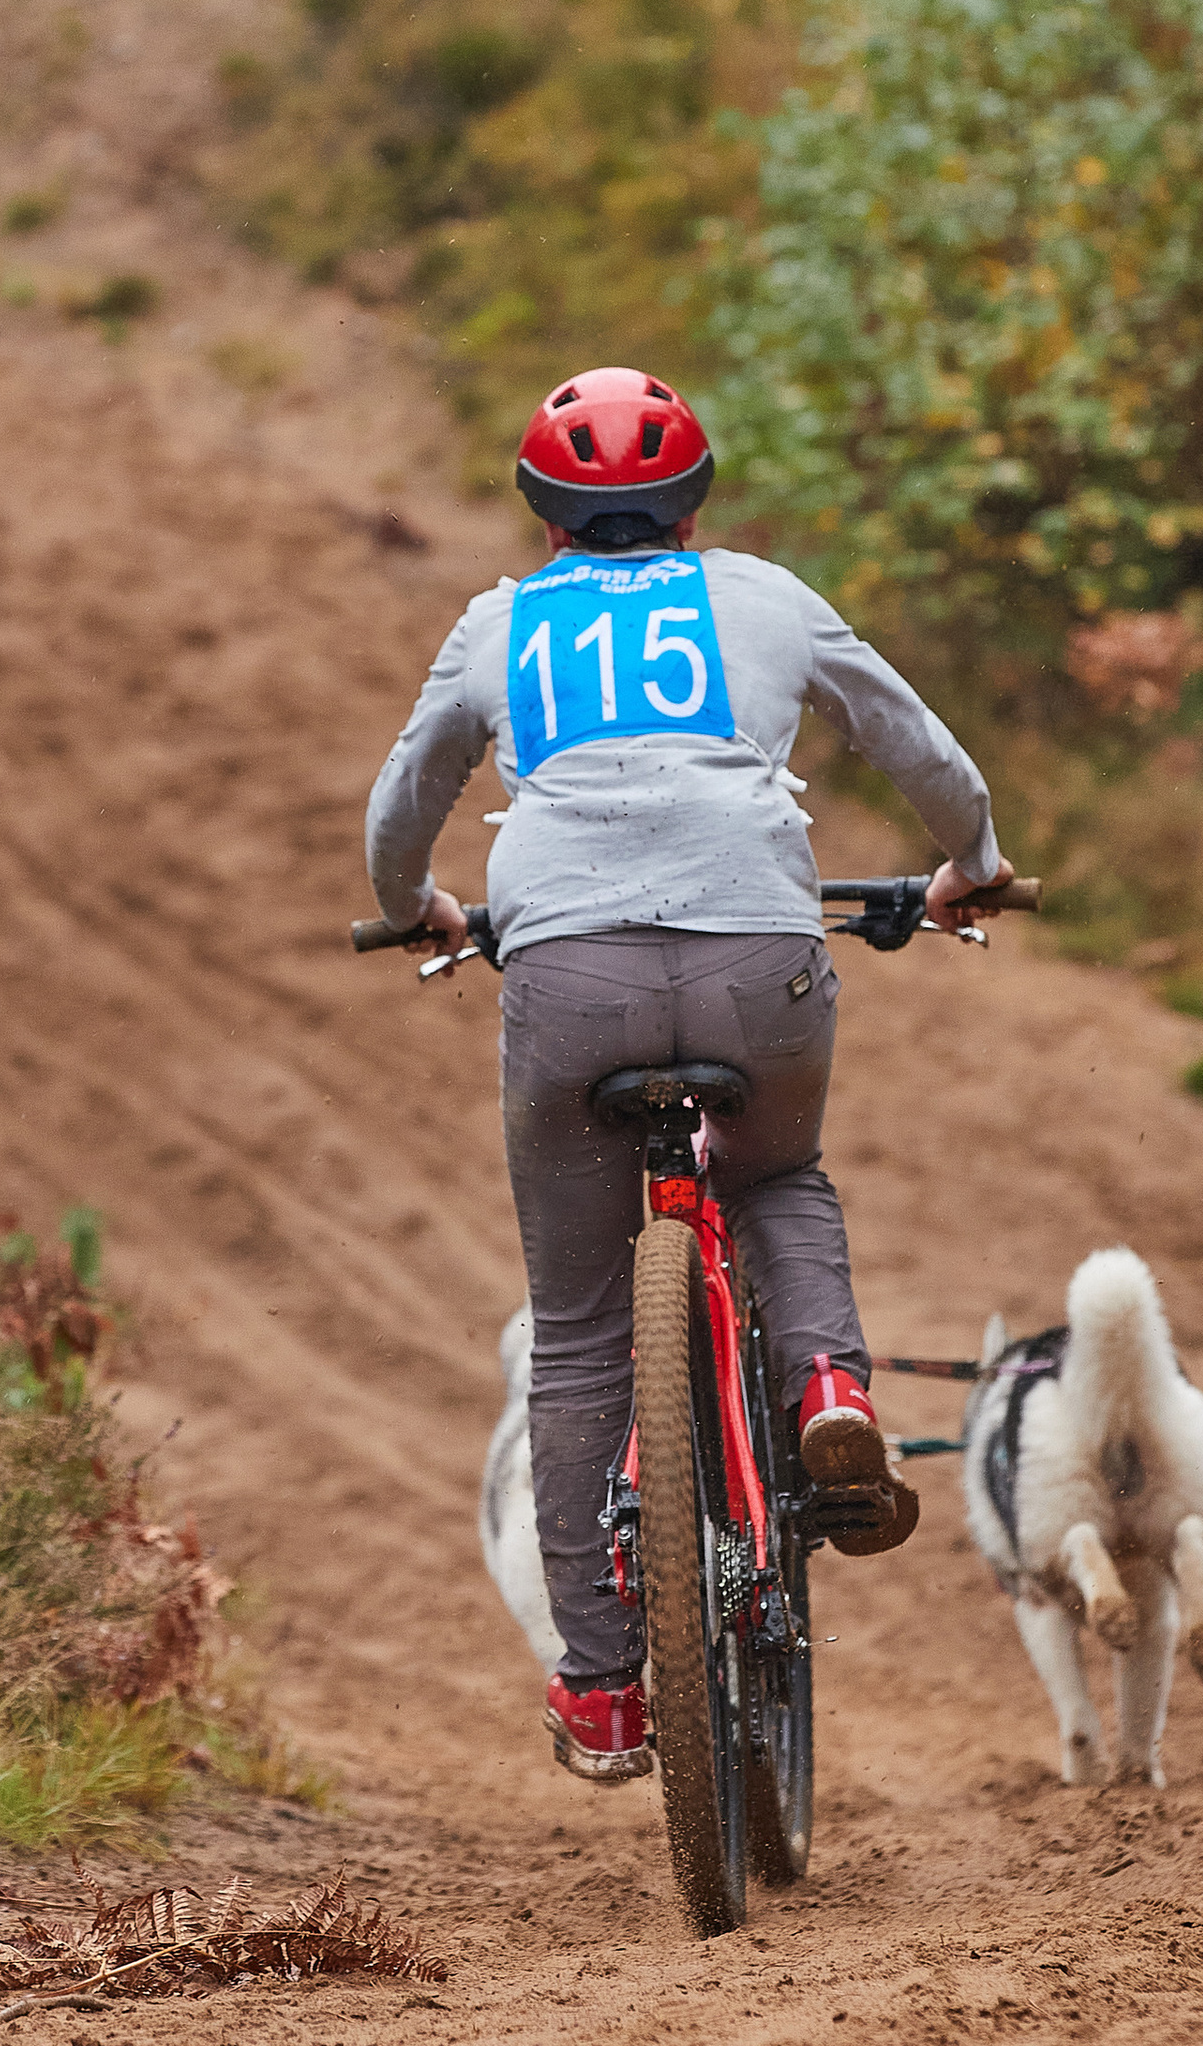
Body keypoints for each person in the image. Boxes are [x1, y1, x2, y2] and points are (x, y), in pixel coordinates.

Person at [365, 366, 1016, 1785]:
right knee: (779, 1173)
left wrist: (413, 900)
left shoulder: (497, 624)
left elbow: (403, 799)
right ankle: (833, 1393)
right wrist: (969, 860)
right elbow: (918, 744)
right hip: (757, 959)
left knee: (585, 1328)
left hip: (564, 979)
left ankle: (602, 1690)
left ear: (541, 510)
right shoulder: (766, 598)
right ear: (697, 496)